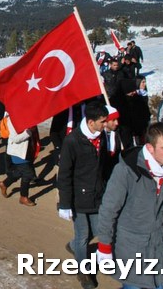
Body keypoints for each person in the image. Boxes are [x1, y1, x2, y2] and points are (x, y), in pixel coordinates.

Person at [96, 123, 163, 289]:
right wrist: (104, 246)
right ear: (150, 148)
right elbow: (108, 210)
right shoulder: (125, 171)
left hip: (159, 248)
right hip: (131, 250)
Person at [57, 101, 109, 289]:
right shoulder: (72, 141)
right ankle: (83, 271)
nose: (105, 124)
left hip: (96, 195)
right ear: (91, 122)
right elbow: (64, 174)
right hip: (77, 197)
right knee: (83, 236)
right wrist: (65, 203)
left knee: (98, 230)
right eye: (103, 121)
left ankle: (73, 246)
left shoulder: (102, 137)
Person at [0, 113, 40, 206]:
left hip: (27, 151)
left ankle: (4, 184)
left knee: (20, 172)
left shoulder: (27, 117)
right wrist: (28, 132)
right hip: (18, 152)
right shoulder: (12, 119)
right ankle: (23, 197)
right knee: (28, 174)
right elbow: (15, 138)